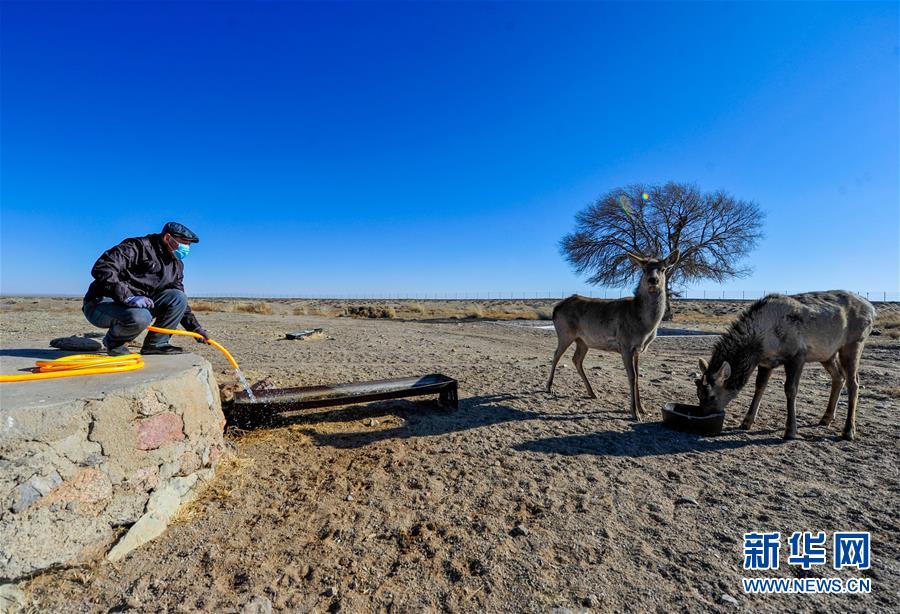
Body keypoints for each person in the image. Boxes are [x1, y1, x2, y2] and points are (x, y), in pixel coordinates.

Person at [83, 222, 210, 356]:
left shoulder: (176, 265)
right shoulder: (137, 247)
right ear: (167, 238)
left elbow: (180, 303)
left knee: (178, 297)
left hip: (137, 308)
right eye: (183, 243)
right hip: (101, 304)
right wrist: (127, 296)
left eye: (188, 245)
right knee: (141, 316)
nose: (186, 248)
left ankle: (156, 344)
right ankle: (115, 343)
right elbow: (103, 267)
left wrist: (195, 327)